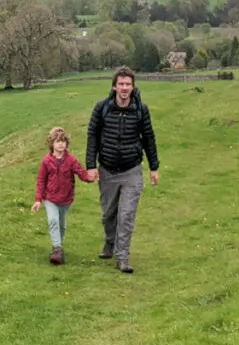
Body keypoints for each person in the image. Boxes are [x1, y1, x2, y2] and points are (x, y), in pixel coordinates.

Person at [85, 66, 160, 274]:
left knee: (126, 215)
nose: (124, 88)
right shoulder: (102, 108)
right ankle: (110, 242)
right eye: (121, 84)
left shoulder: (141, 109)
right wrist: (91, 165)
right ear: (114, 86)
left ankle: (122, 256)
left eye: (128, 84)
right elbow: (92, 135)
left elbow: (149, 138)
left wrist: (154, 167)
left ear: (133, 87)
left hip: (132, 170)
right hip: (107, 169)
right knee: (109, 214)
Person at [32, 126, 94, 265]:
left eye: (63, 141)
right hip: (50, 198)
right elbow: (41, 180)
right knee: (53, 221)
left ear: (67, 143)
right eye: (58, 141)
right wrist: (38, 200)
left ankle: (57, 247)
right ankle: (57, 249)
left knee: (62, 226)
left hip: (66, 199)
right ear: (52, 144)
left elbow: (80, 172)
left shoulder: (71, 160)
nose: (61, 144)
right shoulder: (46, 161)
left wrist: (90, 177)